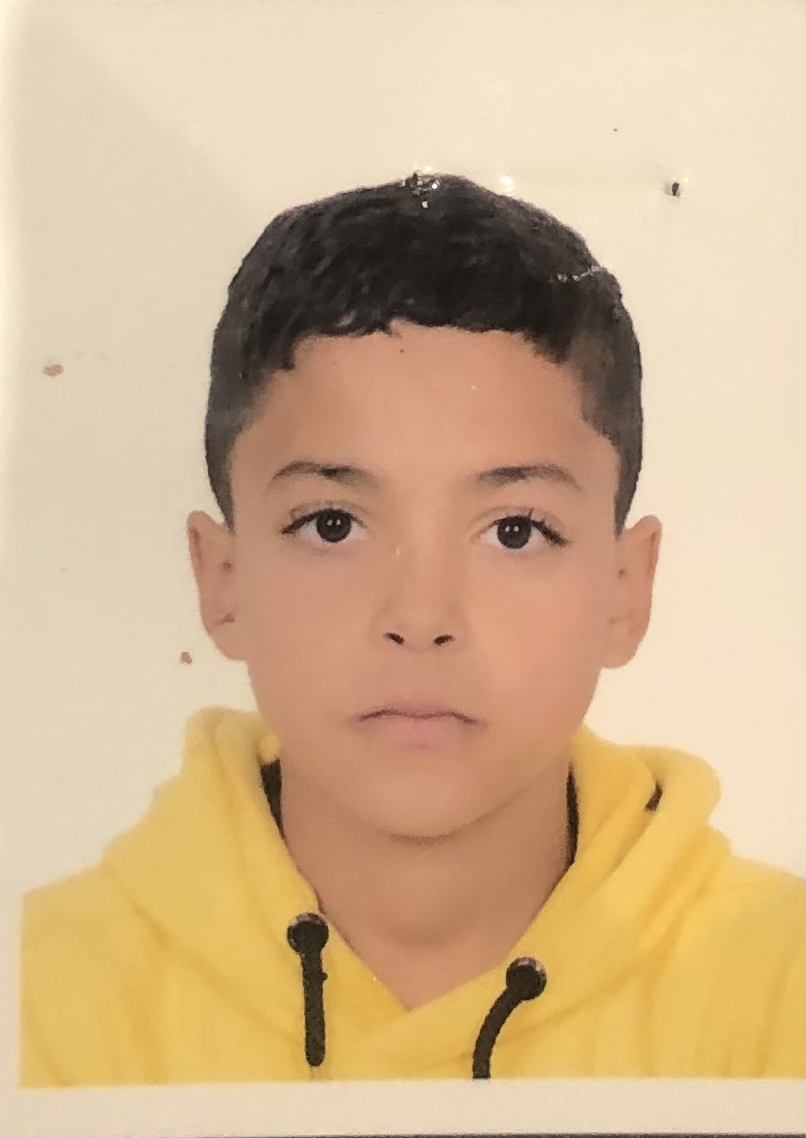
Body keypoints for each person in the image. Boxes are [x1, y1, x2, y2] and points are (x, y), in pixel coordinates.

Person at [21, 172, 805, 1086]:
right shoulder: (40, 1004)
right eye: (332, 524)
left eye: (516, 531)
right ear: (222, 580)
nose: (421, 618)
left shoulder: (779, 992)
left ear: (626, 591)